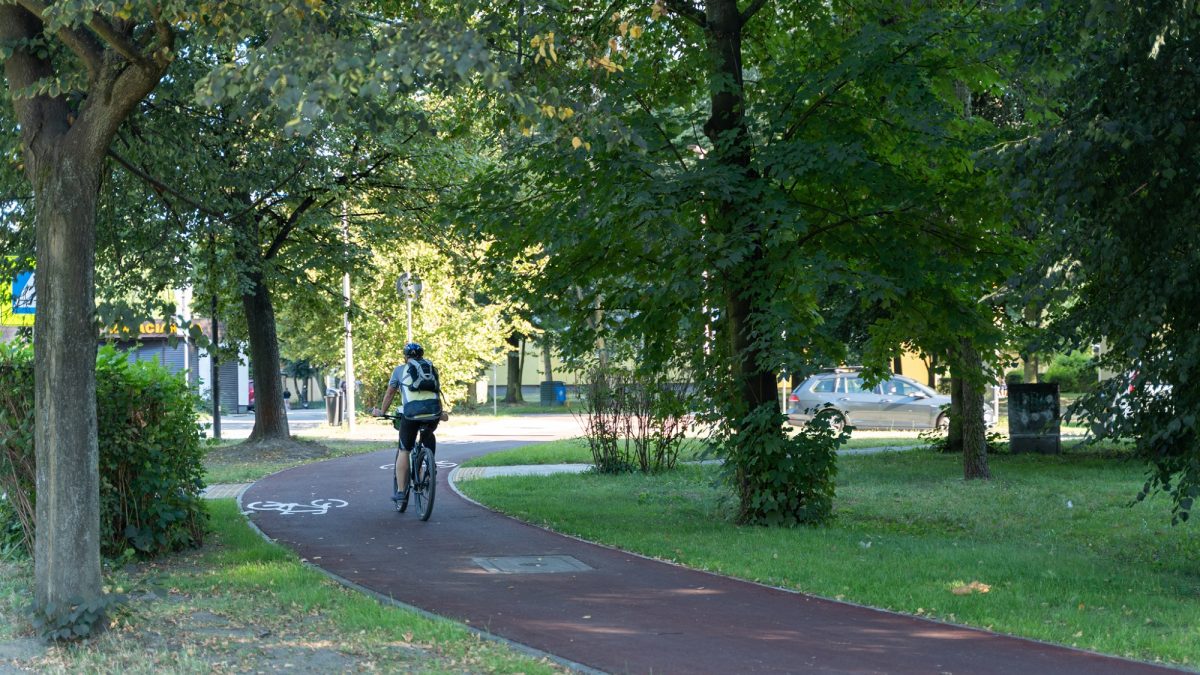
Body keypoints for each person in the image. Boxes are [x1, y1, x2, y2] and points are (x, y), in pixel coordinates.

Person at [372, 342, 443, 507]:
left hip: (410, 414)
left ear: (405, 357)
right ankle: (430, 468)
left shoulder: (399, 370)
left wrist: (382, 411)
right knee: (428, 434)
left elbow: (390, 392)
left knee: (404, 450)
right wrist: (442, 412)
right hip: (433, 413)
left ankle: (401, 492)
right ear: (422, 355)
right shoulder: (431, 368)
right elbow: (436, 391)